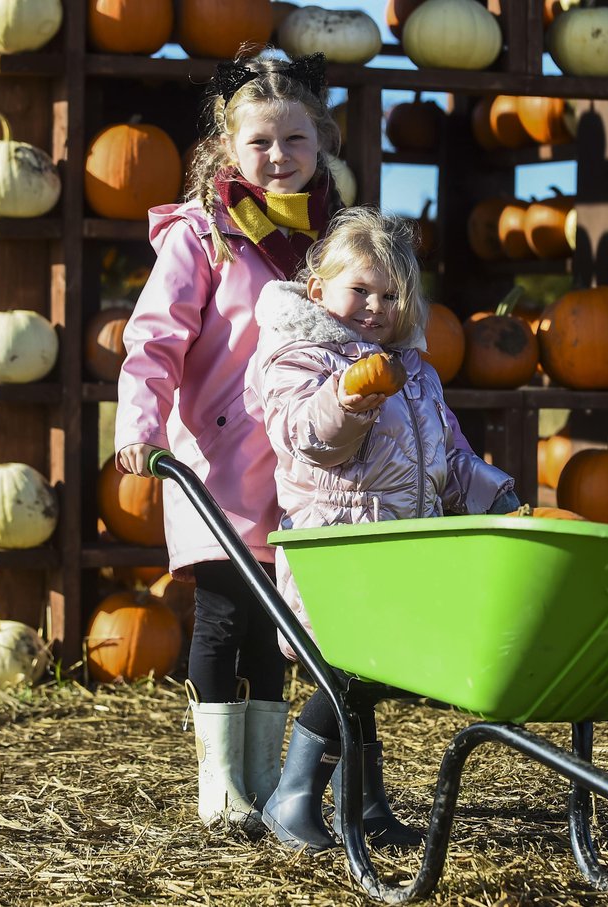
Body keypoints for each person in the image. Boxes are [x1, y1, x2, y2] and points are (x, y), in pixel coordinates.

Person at [113, 50, 343, 835]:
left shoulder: (330, 240)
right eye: (261, 144)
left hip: (298, 467)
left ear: (321, 144)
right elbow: (154, 341)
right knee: (219, 616)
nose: (279, 157)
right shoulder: (203, 234)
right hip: (214, 465)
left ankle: (268, 779)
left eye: (296, 141)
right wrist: (138, 426)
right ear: (226, 148)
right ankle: (222, 788)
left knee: (272, 630)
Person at [248, 206, 519, 851]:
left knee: (373, 671)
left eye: (390, 295)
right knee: (352, 673)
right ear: (319, 290)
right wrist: (346, 401)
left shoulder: (416, 373)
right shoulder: (299, 357)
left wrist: (500, 501)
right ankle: (293, 798)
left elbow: (450, 458)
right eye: (359, 290)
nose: (374, 307)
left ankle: (362, 806)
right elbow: (308, 438)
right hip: (338, 552)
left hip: (400, 553)